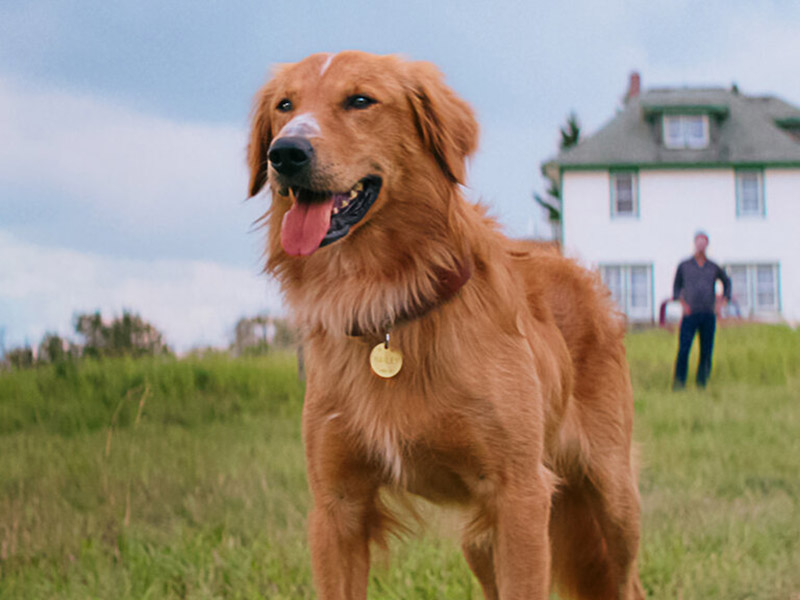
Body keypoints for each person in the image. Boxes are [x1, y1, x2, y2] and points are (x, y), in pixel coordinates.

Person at [672, 231, 731, 389]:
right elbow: (677, 287)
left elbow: (726, 282)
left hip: (708, 314)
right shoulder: (684, 266)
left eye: (703, 243)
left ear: (707, 245)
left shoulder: (713, 267)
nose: (701, 246)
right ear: (694, 244)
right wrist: (683, 304)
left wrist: (722, 301)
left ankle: (702, 383)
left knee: (706, 350)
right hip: (690, 314)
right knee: (684, 349)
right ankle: (679, 384)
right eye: (698, 242)